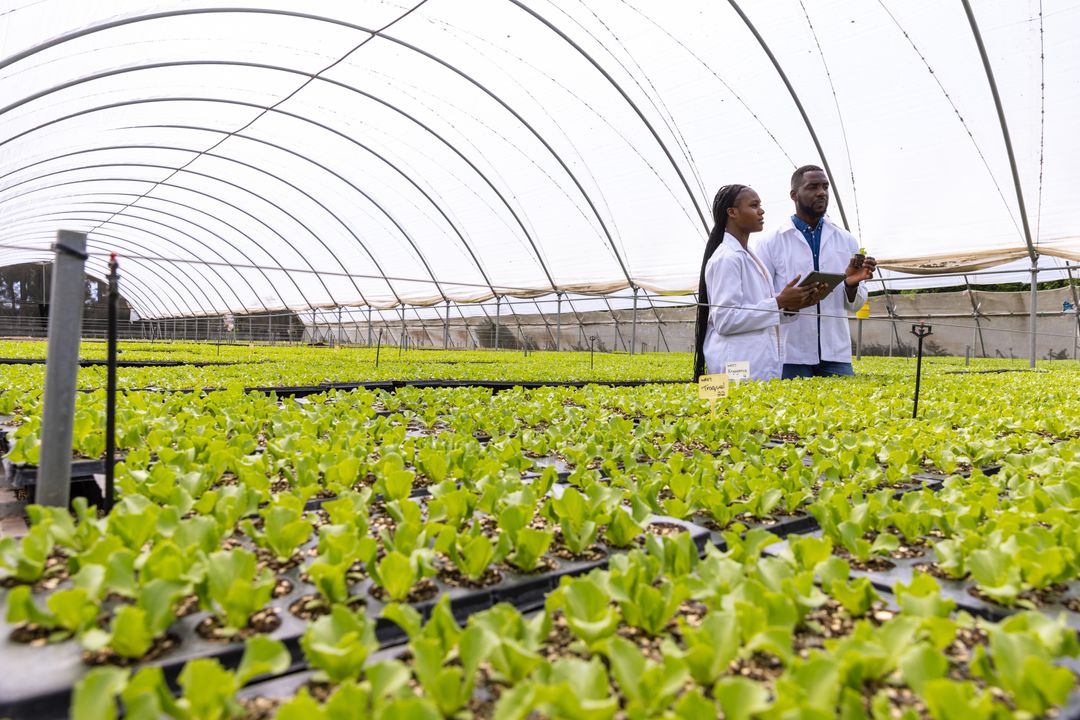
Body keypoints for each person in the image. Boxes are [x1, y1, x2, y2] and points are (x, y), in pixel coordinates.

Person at [753, 165, 877, 378]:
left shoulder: (846, 239)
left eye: (825, 187)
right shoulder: (770, 242)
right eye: (813, 187)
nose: (822, 192)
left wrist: (851, 283)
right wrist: (787, 301)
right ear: (794, 195)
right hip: (791, 353)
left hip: (836, 354)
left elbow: (855, 305)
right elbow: (760, 299)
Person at [692, 184, 823, 382]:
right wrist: (778, 302)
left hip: (754, 365)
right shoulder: (727, 258)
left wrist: (792, 306)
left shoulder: (749, 256)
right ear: (732, 212)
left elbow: (757, 313)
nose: (761, 211)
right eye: (754, 205)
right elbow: (725, 320)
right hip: (735, 367)